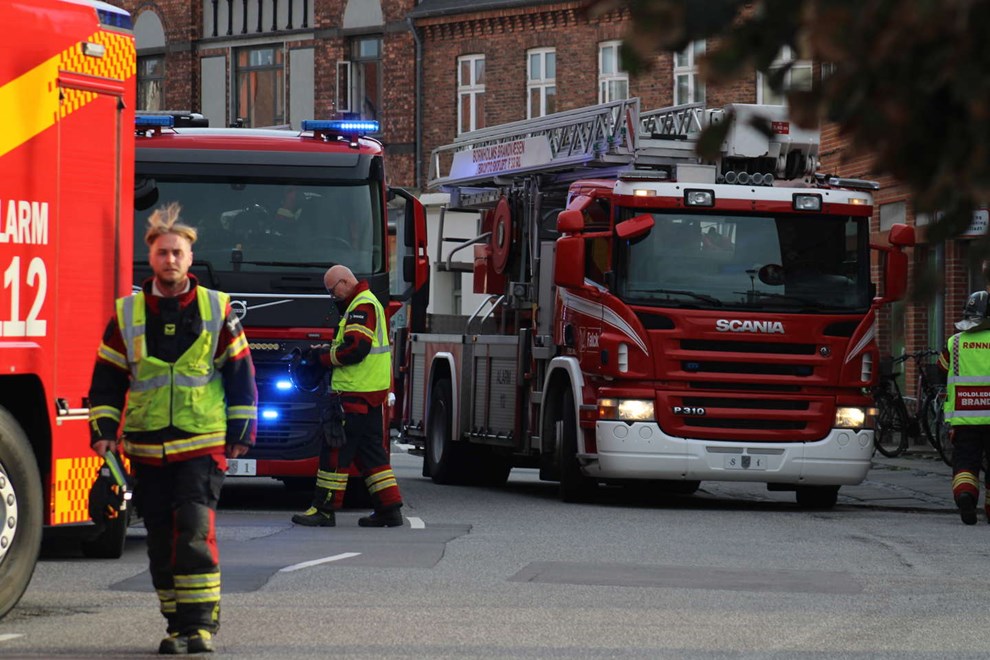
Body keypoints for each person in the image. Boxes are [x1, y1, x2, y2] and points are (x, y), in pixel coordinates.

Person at [88, 202, 257, 654]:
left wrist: (241, 433)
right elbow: (106, 379)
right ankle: (175, 625)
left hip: (200, 447)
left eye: (177, 253)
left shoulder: (217, 309)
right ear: (151, 257)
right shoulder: (126, 315)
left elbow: (240, 373)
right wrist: (104, 429)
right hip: (144, 449)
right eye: (163, 253)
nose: (170, 261)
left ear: (189, 256)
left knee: (195, 532)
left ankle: (200, 626)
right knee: (160, 541)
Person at [291, 264, 404, 528]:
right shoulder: (367, 303)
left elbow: (355, 349)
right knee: (371, 455)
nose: (334, 297)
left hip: (354, 394)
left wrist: (321, 357)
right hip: (370, 395)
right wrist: (329, 348)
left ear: (344, 282)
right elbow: (353, 344)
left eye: (333, 291)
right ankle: (390, 509)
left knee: (334, 450)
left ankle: (323, 509)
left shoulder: (361, 306)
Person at [941, 290, 990, 525]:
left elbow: (941, 370)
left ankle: (965, 494)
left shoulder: (955, 342)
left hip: (964, 418)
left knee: (965, 463)